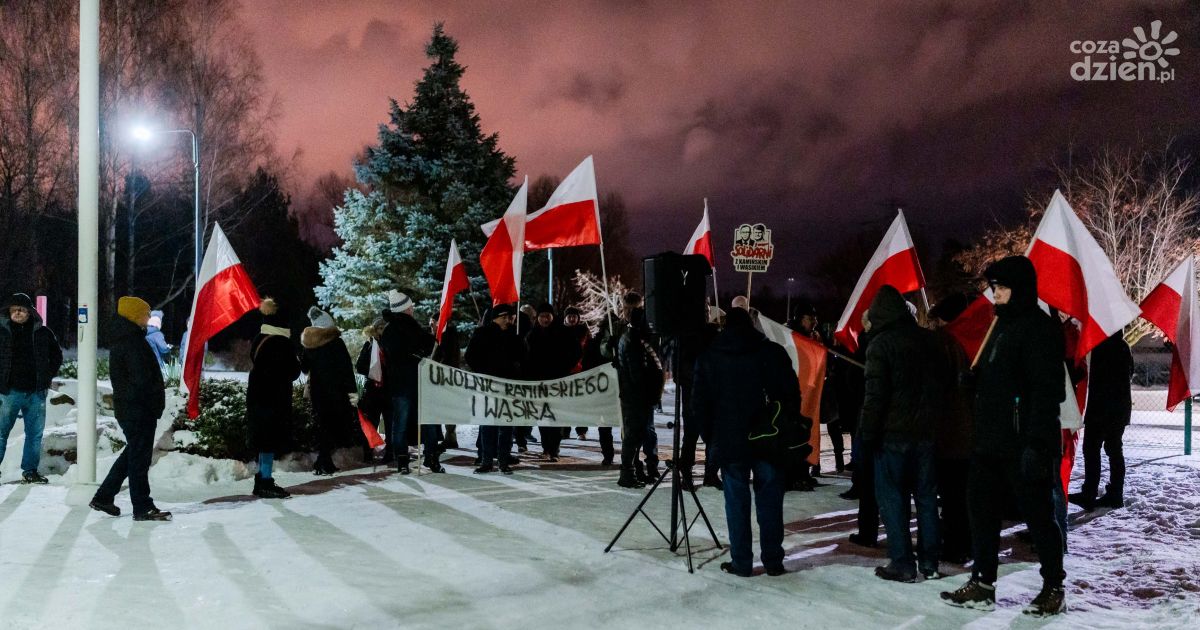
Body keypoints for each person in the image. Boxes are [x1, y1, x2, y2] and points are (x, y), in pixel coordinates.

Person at [940, 255, 1066, 616]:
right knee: (981, 513)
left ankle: (1053, 586)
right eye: (992, 287)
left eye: (1001, 287)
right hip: (989, 443)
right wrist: (975, 383)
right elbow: (1001, 377)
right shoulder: (1001, 325)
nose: (993, 294)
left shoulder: (1039, 329)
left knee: (1039, 516)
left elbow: (1047, 392)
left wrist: (1038, 444)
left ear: (1020, 288)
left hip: (1023, 442)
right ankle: (983, 583)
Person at [693, 307, 799, 577]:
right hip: (768, 439)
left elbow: (699, 405)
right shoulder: (772, 352)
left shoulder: (710, 357)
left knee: (736, 501)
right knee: (770, 500)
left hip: (730, 441)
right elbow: (791, 395)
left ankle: (741, 561)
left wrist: (712, 438)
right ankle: (773, 560)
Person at [859, 285, 941, 582]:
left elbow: (875, 397)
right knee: (927, 497)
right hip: (926, 434)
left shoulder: (880, 346)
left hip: (892, 436)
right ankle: (930, 561)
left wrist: (867, 434)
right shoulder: (929, 341)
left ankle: (902, 562)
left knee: (893, 499)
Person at [90, 297, 171, 520]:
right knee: (139, 460)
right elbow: (141, 378)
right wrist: (152, 402)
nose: (149, 317)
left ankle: (104, 497)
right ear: (135, 316)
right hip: (138, 409)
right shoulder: (132, 341)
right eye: (146, 313)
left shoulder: (127, 338)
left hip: (132, 408)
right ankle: (142, 506)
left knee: (133, 455)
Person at [927, 293, 974, 565]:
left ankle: (955, 547)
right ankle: (966, 544)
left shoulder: (945, 343)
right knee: (964, 496)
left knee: (952, 496)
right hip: (971, 432)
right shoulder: (974, 340)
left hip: (949, 433)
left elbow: (936, 388)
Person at [0, 293, 64, 484]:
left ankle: (30, 471)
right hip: (9, 392)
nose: (18, 312)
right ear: (9, 312)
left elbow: (57, 356)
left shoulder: (43, 333)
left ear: (30, 312)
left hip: (36, 392)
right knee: (1, 433)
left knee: (34, 435)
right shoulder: (2, 332)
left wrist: (46, 377)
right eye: (14, 309)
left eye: (22, 309)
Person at [1069, 332, 1133, 510]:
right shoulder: (1123, 346)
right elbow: (1129, 374)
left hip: (1101, 408)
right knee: (1114, 450)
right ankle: (1115, 493)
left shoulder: (1101, 346)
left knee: (1091, 448)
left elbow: (1095, 376)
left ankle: (1089, 492)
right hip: (1119, 409)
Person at [245, 299, 300, 499]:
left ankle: (261, 479)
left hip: (258, 396)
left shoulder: (260, 338)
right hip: (273, 398)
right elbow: (293, 371)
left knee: (263, 439)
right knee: (269, 440)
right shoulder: (281, 343)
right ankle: (266, 481)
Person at [378, 290, 437, 473]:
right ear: (405, 309)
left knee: (399, 424)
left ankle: (402, 460)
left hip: (398, 384)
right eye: (410, 307)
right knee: (428, 421)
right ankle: (432, 457)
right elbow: (428, 344)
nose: (412, 309)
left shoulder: (388, 330)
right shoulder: (412, 327)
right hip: (418, 381)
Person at [465, 304, 523, 474]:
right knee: (487, 424)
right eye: (503, 316)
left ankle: (504, 461)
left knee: (506, 426)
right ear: (495, 317)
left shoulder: (514, 335)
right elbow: (470, 356)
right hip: (487, 385)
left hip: (508, 385)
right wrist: (483, 371)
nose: (507, 320)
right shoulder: (482, 334)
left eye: (509, 317)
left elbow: (523, 356)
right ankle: (486, 461)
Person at [301, 307, 358, 476]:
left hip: (318, 391)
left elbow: (304, 368)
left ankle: (323, 461)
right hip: (336, 391)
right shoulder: (336, 343)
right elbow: (346, 368)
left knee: (323, 425)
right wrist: (352, 391)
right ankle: (323, 461)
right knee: (332, 426)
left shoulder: (309, 345)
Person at [524, 303, 581, 461]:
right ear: (538, 318)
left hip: (558, 380)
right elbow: (526, 357)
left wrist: (565, 368)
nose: (545, 319)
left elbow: (576, 352)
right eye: (542, 316)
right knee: (542, 416)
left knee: (556, 415)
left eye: (547, 316)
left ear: (553, 317)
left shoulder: (564, 333)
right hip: (539, 381)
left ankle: (554, 448)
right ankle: (546, 448)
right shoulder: (532, 335)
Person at [615, 307, 664, 488]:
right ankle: (627, 473)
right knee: (633, 435)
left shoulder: (637, 339)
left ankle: (634, 470)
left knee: (637, 434)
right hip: (636, 396)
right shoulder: (633, 341)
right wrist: (648, 392)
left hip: (637, 395)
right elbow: (638, 374)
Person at [676, 301, 721, 490]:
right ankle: (686, 474)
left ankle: (710, 474)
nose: (705, 313)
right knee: (691, 436)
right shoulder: (686, 335)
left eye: (707, 310)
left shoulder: (712, 334)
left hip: (708, 395)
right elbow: (681, 368)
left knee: (712, 436)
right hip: (693, 394)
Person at [564, 306, 612, 462]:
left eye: (574, 316)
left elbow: (591, 352)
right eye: (569, 316)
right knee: (565, 404)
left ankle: (581, 430)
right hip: (565, 373)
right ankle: (564, 429)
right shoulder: (560, 332)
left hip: (582, 373)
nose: (572, 319)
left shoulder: (585, 333)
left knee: (580, 404)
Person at [355, 317, 390, 463]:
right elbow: (360, 366)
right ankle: (368, 452)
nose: (382, 331)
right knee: (372, 421)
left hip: (388, 388)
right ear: (375, 330)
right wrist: (372, 371)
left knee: (389, 422)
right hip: (373, 390)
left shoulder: (390, 344)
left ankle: (390, 451)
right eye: (379, 328)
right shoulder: (369, 344)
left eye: (384, 328)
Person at [431, 320, 462, 450]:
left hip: (445, 377)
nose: (431, 325)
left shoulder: (445, 337)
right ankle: (450, 436)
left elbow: (442, 357)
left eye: (433, 322)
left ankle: (449, 437)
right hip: (449, 376)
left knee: (445, 408)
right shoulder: (448, 336)